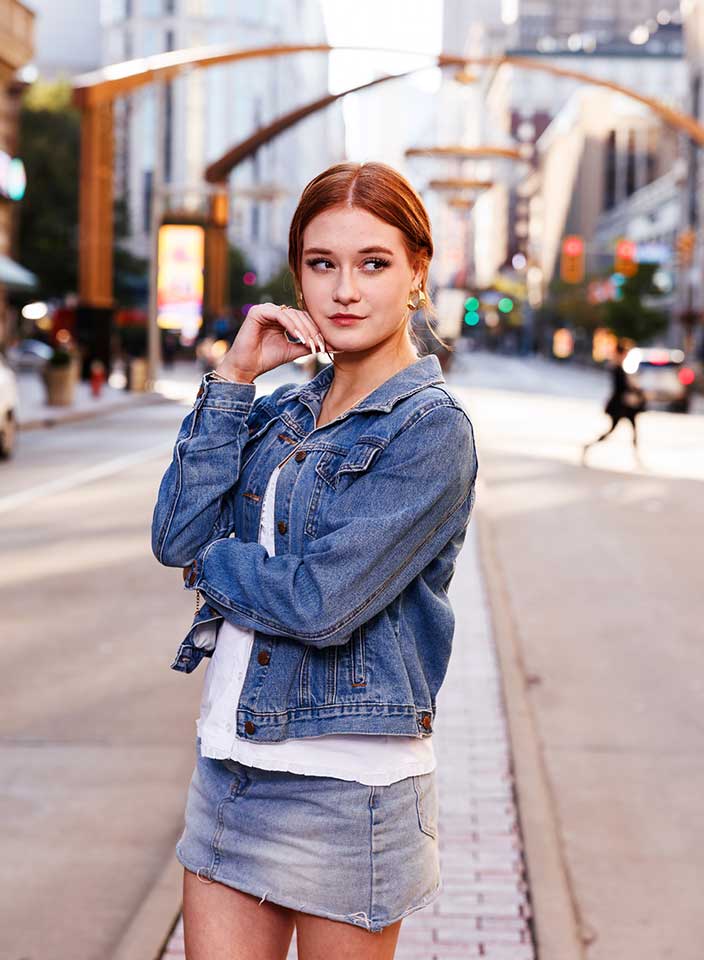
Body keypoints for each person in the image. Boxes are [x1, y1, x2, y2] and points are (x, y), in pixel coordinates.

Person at [151, 161, 478, 960]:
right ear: (297, 276)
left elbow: (320, 604)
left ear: (417, 273)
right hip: (232, 765)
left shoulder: (430, 429)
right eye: (322, 264)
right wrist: (232, 379)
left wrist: (210, 566)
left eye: (373, 263)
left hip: (350, 791)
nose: (345, 290)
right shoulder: (284, 408)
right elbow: (173, 532)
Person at [582, 339, 646, 466]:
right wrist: (635, 390)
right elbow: (621, 388)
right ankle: (588, 446)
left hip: (625, 405)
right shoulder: (616, 368)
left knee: (634, 430)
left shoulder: (621, 368)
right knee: (612, 431)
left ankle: (637, 457)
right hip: (619, 405)